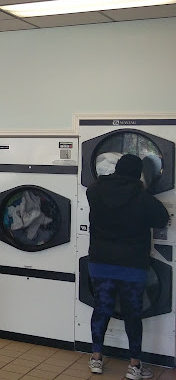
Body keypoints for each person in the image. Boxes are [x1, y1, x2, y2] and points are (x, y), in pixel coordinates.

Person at [86, 154, 170, 380]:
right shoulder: (142, 197)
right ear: (138, 174)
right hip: (132, 265)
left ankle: (96, 358)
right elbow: (162, 219)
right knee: (133, 314)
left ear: (116, 169)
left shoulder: (94, 190)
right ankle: (134, 366)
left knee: (101, 309)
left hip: (100, 262)